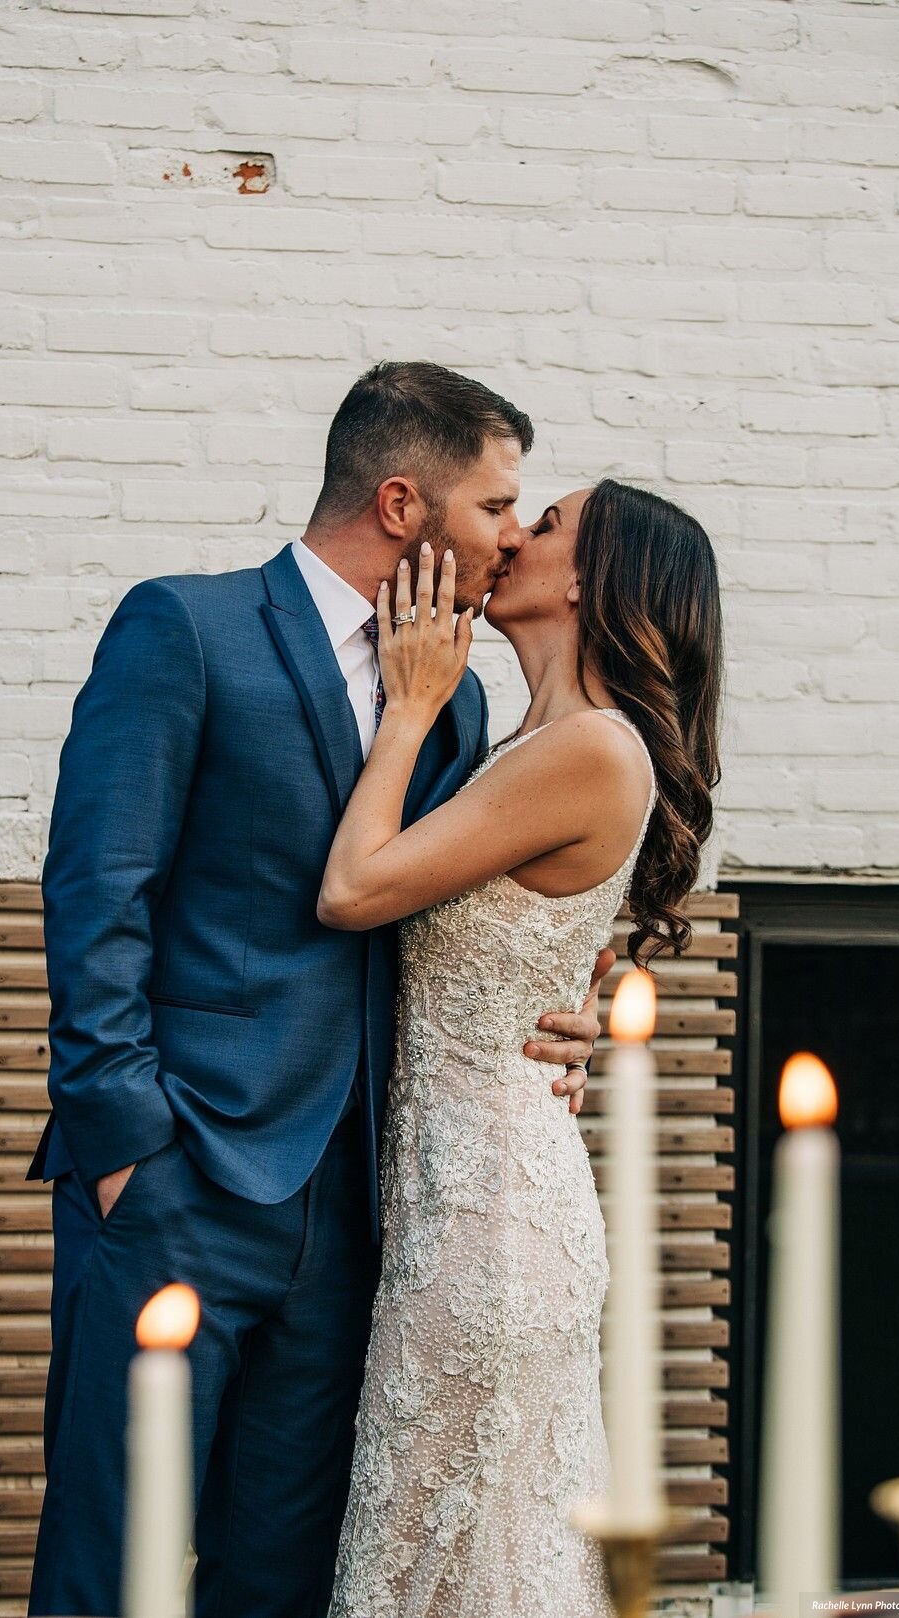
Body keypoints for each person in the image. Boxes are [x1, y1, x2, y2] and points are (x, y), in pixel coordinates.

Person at [25, 362, 609, 1618]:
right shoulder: (186, 627)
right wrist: (128, 1146)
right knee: (111, 1562)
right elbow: (96, 896)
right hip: (179, 1181)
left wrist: (567, 1003)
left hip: (361, 1216)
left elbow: (463, 918)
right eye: (495, 506)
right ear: (404, 504)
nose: (511, 535)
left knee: (282, 1579)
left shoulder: (451, 711)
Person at [323, 480, 723, 1618]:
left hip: (490, 1226)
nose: (511, 537)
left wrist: (405, 709)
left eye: (544, 524)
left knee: (449, 1563)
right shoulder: (529, 739)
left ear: (596, 577)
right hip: (454, 1195)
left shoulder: (593, 747)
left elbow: (355, 888)